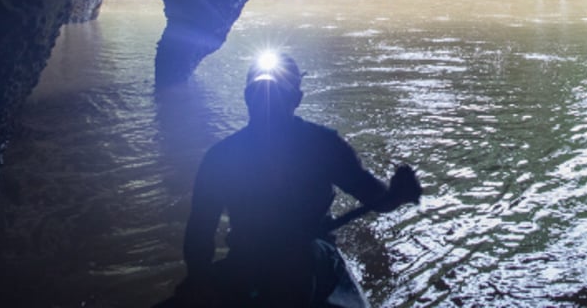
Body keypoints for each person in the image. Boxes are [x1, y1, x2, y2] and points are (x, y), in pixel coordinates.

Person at [172, 51, 421, 307]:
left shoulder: (224, 156)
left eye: (276, 95)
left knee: (299, 259)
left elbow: (199, 235)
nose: (268, 103)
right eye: (262, 94)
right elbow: (199, 234)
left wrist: (397, 194)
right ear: (248, 97)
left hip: (297, 258)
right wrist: (199, 282)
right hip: (257, 259)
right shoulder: (322, 146)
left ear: (296, 99)